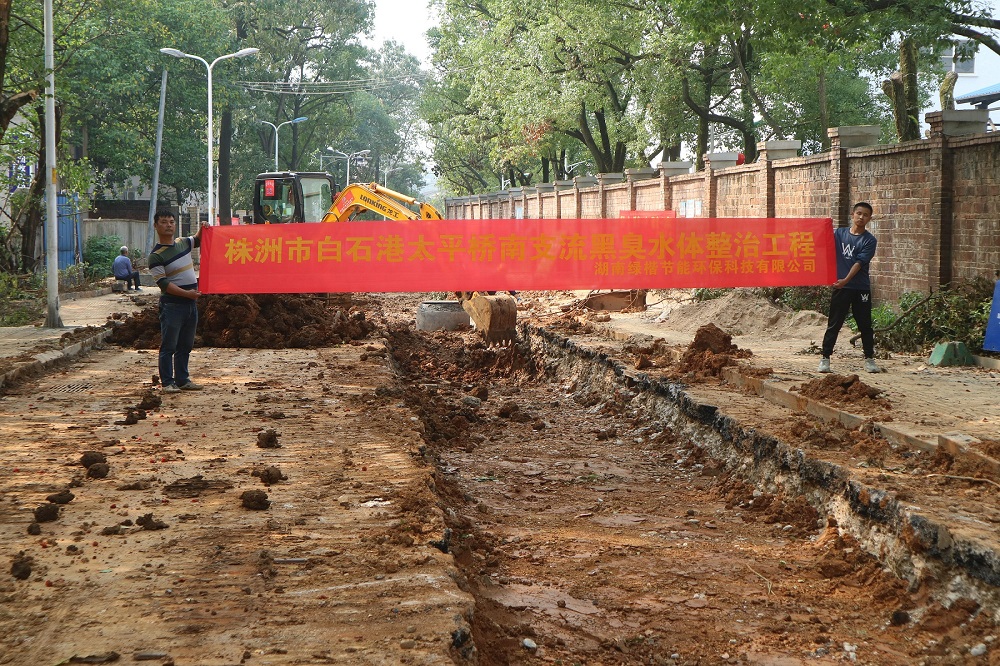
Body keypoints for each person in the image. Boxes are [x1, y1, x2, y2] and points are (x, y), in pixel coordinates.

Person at [819, 201, 880, 374]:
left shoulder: (869, 240)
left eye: (865, 215)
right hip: (841, 287)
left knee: (865, 325)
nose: (861, 217)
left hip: (860, 288)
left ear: (869, 218)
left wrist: (845, 280)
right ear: (853, 215)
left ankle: (869, 359)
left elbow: (859, 263)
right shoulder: (839, 233)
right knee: (834, 323)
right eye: (859, 213)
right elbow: (820, 241)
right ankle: (825, 358)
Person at [148, 210, 204, 393]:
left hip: (190, 305)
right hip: (172, 305)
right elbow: (164, 284)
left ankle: (182, 379)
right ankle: (167, 382)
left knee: (185, 345)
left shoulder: (183, 243)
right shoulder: (156, 256)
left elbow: (198, 239)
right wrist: (186, 294)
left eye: (171, 221)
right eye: (164, 222)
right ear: (156, 226)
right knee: (169, 346)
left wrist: (204, 229)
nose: (169, 225)